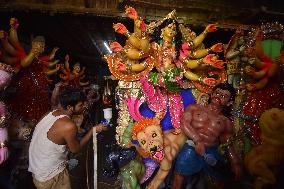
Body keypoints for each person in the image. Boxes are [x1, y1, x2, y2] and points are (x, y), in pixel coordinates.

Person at [28, 88, 107, 189]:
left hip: (37, 171)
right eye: (80, 105)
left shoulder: (51, 113)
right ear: (70, 107)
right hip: (51, 176)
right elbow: (75, 149)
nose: (83, 107)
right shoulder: (68, 126)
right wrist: (93, 131)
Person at [172, 83, 241, 189]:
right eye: (217, 93)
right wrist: (197, 140)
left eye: (224, 96)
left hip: (211, 151)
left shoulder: (225, 122)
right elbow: (184, 123)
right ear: (211, 94)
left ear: (229, 102)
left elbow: (228, 144)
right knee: (180, 170)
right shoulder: (194, 108)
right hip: (192, 146)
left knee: (223, 177)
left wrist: (235, 163)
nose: (218, 96)